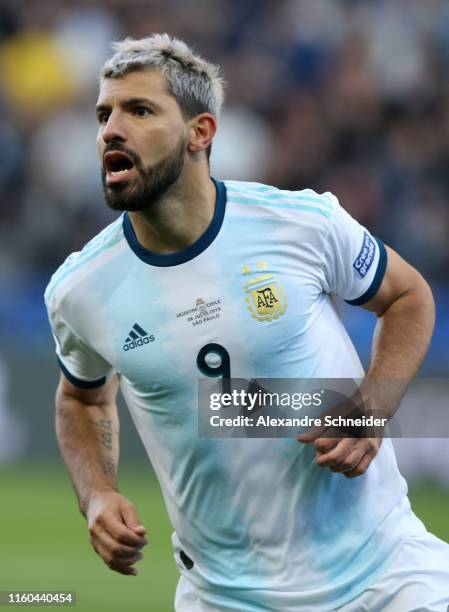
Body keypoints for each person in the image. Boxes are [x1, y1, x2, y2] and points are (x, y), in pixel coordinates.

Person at [44, 34, 449, 611]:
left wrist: (373, 406)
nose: (111, 128)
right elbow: (81, 399)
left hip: (387, 574)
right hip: (227, 597)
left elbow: (409, 296)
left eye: (139, 110)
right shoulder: (79, 289)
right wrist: (98, 495)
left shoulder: (303, 223)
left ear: (199, 133)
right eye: (104, 113)